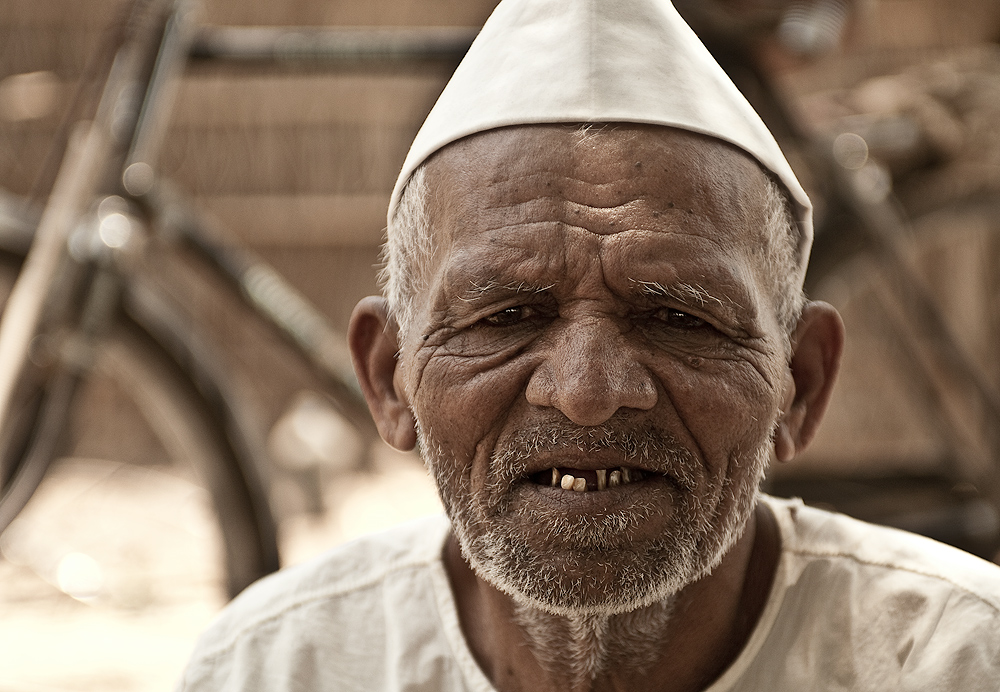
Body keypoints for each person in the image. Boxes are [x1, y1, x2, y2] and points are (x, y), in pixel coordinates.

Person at [176, 0, 1000, 690]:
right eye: (505, 317)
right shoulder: (274, 669)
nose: (587, 390)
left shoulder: (957, 660)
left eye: (679, 318)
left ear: (802, 383)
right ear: (390, 379)